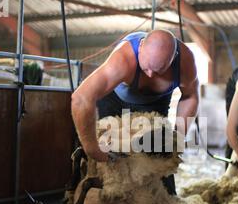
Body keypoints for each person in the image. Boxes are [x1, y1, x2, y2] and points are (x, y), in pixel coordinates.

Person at [71, 29, 199, 194]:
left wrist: (176, 137)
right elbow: (81, 99)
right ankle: (88, 198)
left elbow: (190, 97)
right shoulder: (124, 58)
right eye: (146, 68)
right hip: (114, 100)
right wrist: (92, 148)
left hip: (155, 104)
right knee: (109, 158)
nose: (151, 75)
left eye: (158, 70)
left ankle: (165, 198)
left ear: (172, 58)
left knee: (161, 154)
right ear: (141, 47)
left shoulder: (185, 62)